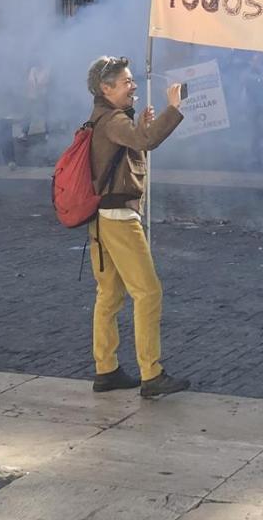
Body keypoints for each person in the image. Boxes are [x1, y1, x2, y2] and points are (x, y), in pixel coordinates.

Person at [85, 55, 191, 399]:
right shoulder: (112, 120)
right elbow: (145, 142)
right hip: (118, 218)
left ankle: (107, 369)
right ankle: (152, 372)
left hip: (102, 219)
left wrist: (141, 123)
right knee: (148, 292)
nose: (134, 87)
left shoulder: (107, 119)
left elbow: (136, 140)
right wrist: (173, 109)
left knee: (110, 294)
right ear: (106, 88)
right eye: (127, 82)